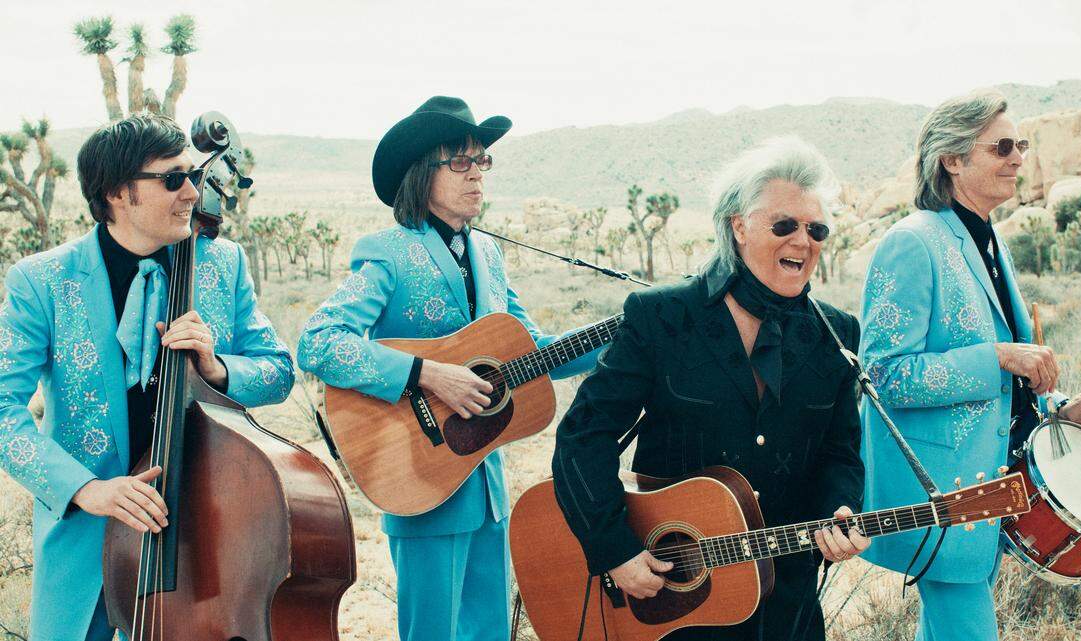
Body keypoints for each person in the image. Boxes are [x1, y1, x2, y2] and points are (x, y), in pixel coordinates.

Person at [297, 95, 602, 641]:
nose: (477, 174)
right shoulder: (387, 253)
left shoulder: (488, 254)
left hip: (485, 484)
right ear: (422, 172)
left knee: (488, 632)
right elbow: (319, 342)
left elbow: (531, 351)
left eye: (481, 160)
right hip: (417, 476)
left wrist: (620, 336)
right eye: (460, 161)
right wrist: (427, 374)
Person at [552, 137, 869, 641]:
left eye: (817, 229)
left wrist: (840, 508)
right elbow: (581, 440)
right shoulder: (660, 317)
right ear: (738, 226)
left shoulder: (837, 335)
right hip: (673, 601)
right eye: (783, 225)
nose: (802, 241)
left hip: (787, 604)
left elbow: (841, 453)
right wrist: (615, 551)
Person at [0, 114, 294, 641]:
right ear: (117, 193)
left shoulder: (222, 264)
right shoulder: (40, 281)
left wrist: (216, 367)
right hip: (84, 542)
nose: (191, 191)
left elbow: (277, 371)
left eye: (193, 175)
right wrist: (86, 489)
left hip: (207, 536)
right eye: (172, 178)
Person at [858, 90, 1081, 641]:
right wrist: (999, 358)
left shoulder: (989, 239)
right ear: (952, 159)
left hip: (998, 481)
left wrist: (1060, 413)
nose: (1019, 157)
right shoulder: (911, 242)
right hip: (944, 493)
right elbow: (882, 377)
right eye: (1002, 146)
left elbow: (1005, 378)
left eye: (1020, 144)